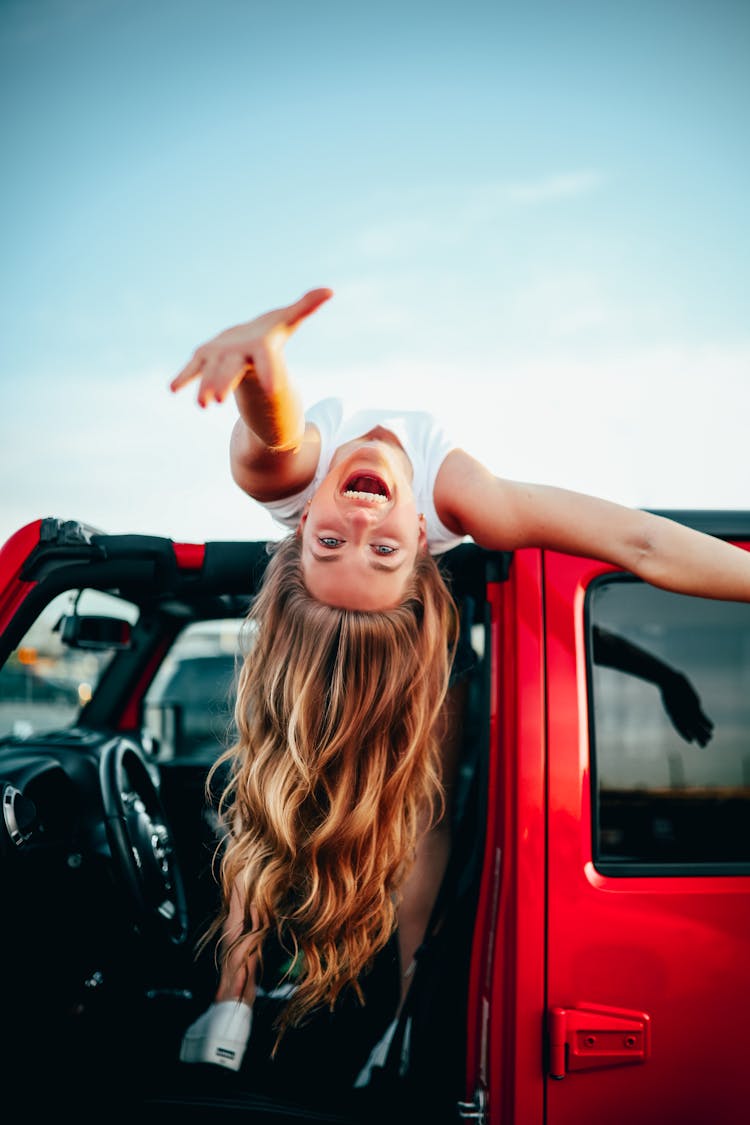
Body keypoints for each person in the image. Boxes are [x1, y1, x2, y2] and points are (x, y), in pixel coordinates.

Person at [170, 287, 749, 1079]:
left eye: (335, 542)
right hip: (375, 666)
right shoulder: (467, 503)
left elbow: (271, 431)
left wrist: (258, 361)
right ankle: (235, 996)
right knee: (276, 798)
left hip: (360, 666)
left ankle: (395, 1016)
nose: (363, 529)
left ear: (302, 527)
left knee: (364, 805)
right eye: (379, 555)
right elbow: (638, 543)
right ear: (421, 543)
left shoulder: (296, 481)